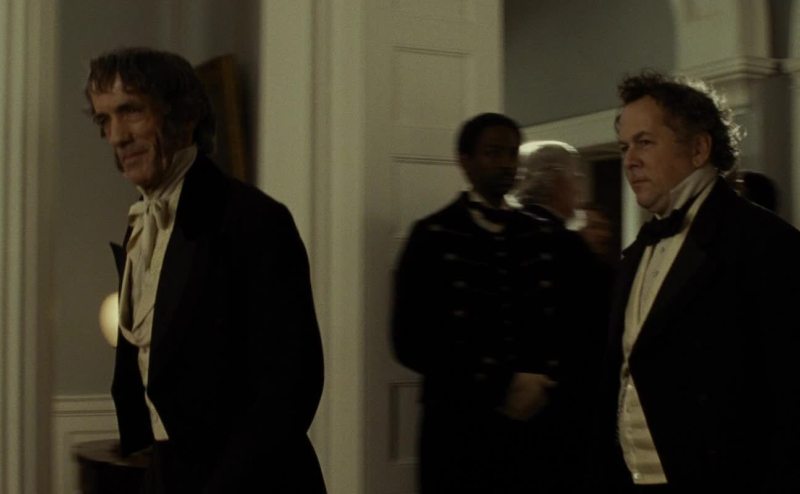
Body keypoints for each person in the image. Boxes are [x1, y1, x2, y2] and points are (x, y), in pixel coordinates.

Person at [86, 47, 326, 493]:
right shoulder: (140, 223)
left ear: (185, 114)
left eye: (131, 111)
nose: (116, 136)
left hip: (254, 483)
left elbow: (290, 389)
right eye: (104, 120)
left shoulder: (254, 219)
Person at [601, 70, 800, 492]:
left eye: (644, 142)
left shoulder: (764, 243)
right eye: (624, 147)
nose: (629, 160)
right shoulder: (636, 253)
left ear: (698, 149)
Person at [392, 112, 599, 493]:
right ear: (465, 160)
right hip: (460, 426)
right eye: (493, 152)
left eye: (511, 153)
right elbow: (410, 339)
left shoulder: (547, 237)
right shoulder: (432, 236)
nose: (505, 163)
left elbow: (582, 323)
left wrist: (548, 383)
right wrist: (501, 384)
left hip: (540, 427)